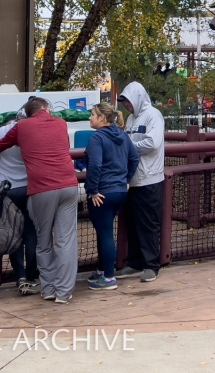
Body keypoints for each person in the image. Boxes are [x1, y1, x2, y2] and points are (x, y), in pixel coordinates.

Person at [0, 97, 79, 304]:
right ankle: (64, 292)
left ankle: (49, 288)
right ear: (45, 109)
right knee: (66, 241)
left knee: (43, 242)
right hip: (70, 185)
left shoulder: (22, 127)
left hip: (42, 189)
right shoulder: (61, 124)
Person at [84, 102, 140, 290]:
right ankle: (102, 270)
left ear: (101, 118)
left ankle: (108, 278)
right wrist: (126, 179)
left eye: (92, 114)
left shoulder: (96, 138)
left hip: (102, 192)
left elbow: (95, 164)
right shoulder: (122, 135)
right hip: (120, 191)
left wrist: (92, 189)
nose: (90, 117)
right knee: (104, 230)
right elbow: (134, 158)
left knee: (106, 233)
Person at [114, 82, 165, 283]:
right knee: (133, 224)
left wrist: (129, 147)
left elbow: (153, 143)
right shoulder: (131, 119)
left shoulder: (154, 115)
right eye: (124, 102)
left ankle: (152, 265)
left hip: (149, 179)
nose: (126, 105)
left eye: (127, 100)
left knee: (148, 224)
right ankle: (135, 262)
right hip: (132, 179)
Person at [0, 107, 39, 295]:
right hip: (31, 189)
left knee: (13, 232)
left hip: (8, 190)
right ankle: (33, 276)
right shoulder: (33, 132)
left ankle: (20, 277)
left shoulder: (1, 131)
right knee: (31, 232)